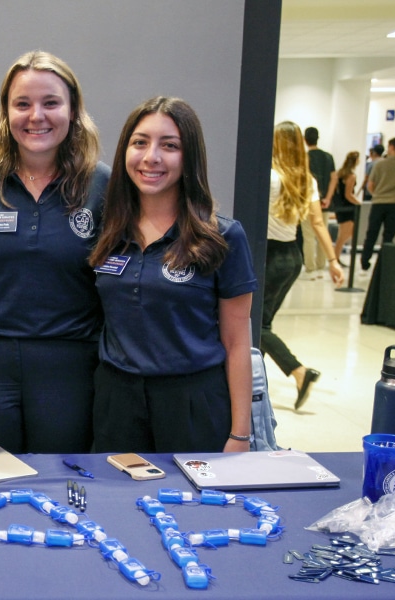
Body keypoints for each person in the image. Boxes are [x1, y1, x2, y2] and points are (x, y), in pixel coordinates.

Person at [0, 51, 109, 454]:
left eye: (51, 103)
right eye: (22, 104)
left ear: (73, 110)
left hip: (68, 365)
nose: (37, 116)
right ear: (5, 111)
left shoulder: (101, 185)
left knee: (60, 484)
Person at [89, 96, 257, 454]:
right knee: (116, 506)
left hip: (193, 403)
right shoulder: (105, 231)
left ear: (189, 156)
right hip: (117, 403)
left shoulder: (222, 237)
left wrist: (240, 434)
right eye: (140, 142)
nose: (151, 157)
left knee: (195, 506)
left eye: (170, 145)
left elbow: (237, 341)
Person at [262, 122, 344, 411]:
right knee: (263, 323)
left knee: (254, 324)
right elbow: (318, 223)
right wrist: (332, 260)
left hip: (268, 256)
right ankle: (255, 388)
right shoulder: (307, 180)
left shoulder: (270, 177)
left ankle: (298, 371)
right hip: (292, 258)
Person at [360, 137, 395, 270]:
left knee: (372, 232)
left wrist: (377, 194)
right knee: (389, 234)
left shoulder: (379, 164)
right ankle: (384, 262)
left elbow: (370, 185)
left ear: (390, 147)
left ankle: (365, 260)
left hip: (379, 202)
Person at [303, 127, 337, 274]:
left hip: (308, 201)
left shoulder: (305, 157)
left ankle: (310, 267)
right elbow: (334, 178)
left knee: (309, 236)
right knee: (322, 231)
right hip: (324, 201)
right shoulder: (328, 157)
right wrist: (328, 198)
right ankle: (321, 265)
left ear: (305, 139)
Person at [331, 151, 361, 263]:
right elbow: (348, 194)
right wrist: (358, 202)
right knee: (343, 236)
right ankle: (335, 258)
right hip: (348, 208)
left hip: (341, 206)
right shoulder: (351, 176)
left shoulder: (340, 173)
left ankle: (337, 257)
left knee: (346, 234)